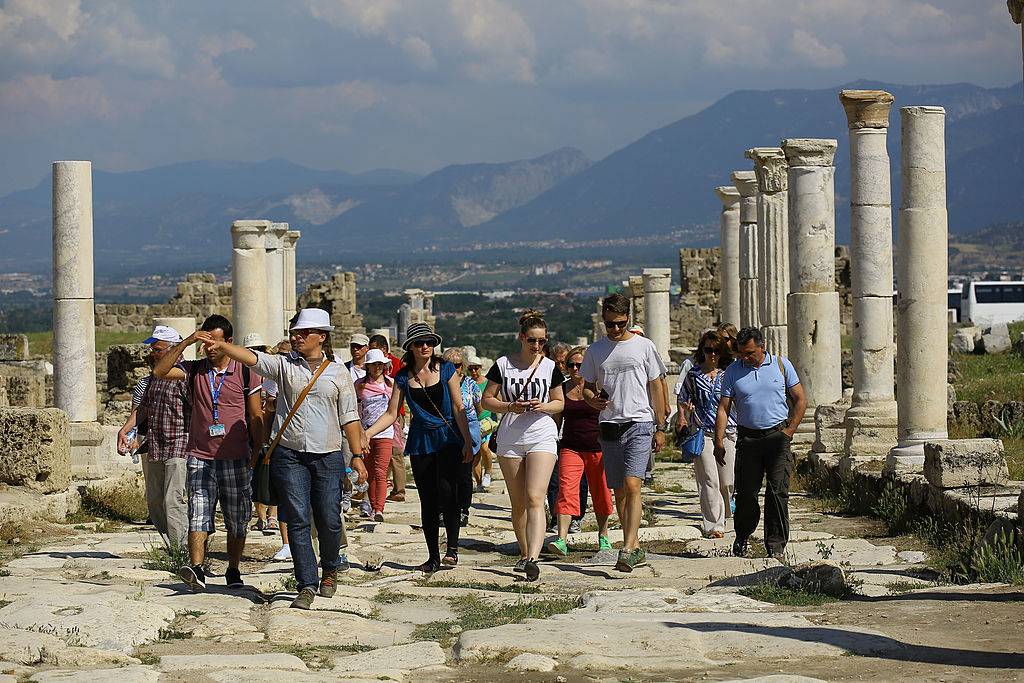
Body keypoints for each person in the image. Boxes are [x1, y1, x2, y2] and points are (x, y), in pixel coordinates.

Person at [197, 308, 368, 610]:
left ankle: (329, 568)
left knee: (329, 517)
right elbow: (251, 358)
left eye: (303, 332)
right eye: (294, 332)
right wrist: (222, 345)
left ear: (321, 337)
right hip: (289, 455)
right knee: (297, 518)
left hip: (327, 455)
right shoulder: (284, 366)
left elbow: (350, 417)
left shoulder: (338, 372)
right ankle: (306, 583)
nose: (297, 336)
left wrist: (356, 455)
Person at [152, 315, 264, 592]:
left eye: (215, 342)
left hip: (236, 455)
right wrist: (187, 342)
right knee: (198, 513)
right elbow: (160, 371)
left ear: (229, 342)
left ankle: (233, 568)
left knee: (236, 518)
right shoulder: (194, 370)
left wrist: (257, 452)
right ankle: (198, 569)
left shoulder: (246, 372)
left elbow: (255, 414)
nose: (210, 347)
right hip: (200, 455)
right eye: (206, 342)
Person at [365, 322, 475, 572]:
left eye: (429, 342)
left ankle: (453, 549)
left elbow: (459, 407)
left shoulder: (446, 369)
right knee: (428, 499)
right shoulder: (403, 377)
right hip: (421, 440)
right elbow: (392, 413)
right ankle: (433, 556)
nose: (425, 346)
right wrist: (367, 433)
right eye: (419, 343)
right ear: (411, 347)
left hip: (448, 438)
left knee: (449, 494)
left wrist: (468, 440)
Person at [581, 293, 668, 573]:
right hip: (609, 424)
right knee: (619, 490)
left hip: (639, 422)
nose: (615, 329)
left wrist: (660, 424)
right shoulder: (595, 351)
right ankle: (635, 542)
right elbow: (587, 385)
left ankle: (628, 547)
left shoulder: (644, 347)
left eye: (619, 323)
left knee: (633, 485)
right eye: (610, 325)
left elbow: (656, 384)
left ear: (628, 319)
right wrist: (590, 399)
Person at [481, 310, 565, 582]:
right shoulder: (503, 365)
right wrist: (510, 406)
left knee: (534, 498)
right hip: (511, 437)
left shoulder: (551, 367)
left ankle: (533, 558)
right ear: (522, 337)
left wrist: (544, 406)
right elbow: (487, 400)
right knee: (518, 503)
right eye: (532, 340)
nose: (537, 346)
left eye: (542, 341)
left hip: (542, 432)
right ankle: (524, 551)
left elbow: (559, 402)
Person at [714, 327, 807, 561]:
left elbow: (800, 399)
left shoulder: (781, 365)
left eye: (750, 353)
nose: (745, 358)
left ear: (762, 346)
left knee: (777, 492)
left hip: (777, 436)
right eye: (742, 353)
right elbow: (724, 408)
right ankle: (743, 535)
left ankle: (776, 545)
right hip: (748, 438)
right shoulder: (733, 371)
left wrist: (790, 430)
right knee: (746, 494)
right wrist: (719, 439)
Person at [117, 325, 190, 550]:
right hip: (156, 444)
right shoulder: (156, 376)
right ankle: (172, 544)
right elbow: (145, 407)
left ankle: (183, 551)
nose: (152, 353)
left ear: (172, 350)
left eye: (157, 350)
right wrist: (126, 428)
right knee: (155, 501)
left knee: (173, 499)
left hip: (179, 443)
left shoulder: (185, 375)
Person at [547, 346, 614, 557]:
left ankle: (603, 535)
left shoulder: (599, 387)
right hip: (571, 447)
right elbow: (557, 419)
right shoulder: (562, 389)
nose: (575, 368)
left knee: (601, 492)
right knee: (566, 490)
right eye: (571, 365)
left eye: (580, 364)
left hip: (598, 447)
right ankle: (561, 538)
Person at [678, 330, 736, 539]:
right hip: (702, 431)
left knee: (727, 481)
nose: (712, 354)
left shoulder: (729, 373)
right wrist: (684, 413)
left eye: (716, 350)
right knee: (709, 479)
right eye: (708, 350)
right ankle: (714, 525)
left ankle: (728, 512)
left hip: (729, 430)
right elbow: (683, 397)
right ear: (702, 351)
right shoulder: (693, 375)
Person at [543, 341, 586, 533]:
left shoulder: (591, 385)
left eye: (565, 363)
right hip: (558, 438)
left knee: (580, 482)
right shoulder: (555, 384)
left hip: (583, 440)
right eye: (562, 364)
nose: (564, 367)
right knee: (554, 481)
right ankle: (556, 517)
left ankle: (577, 517)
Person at [243, 332, 281, 538]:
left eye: (258, 350)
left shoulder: (273, 374)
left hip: (273, 428)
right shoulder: (241, 373)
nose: (255, 354)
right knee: (256, 474)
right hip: (250, 427)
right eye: (251, 351)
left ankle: (273, 515)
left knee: (271, 472)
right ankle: (261, 516)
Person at [354, 348, 395, 522]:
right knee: (369, 472)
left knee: (381, 472)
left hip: (385, 432)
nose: (377, 367)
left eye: (380, 364)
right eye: (374, 364)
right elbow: (355, 408)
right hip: (365, 433)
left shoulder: (392, 384)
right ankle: (372, 506)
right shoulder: (359, 385)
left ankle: (379, 509)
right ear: (368, 366)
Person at [443, 347, 481, 527]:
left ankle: (464, 509)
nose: (454, 369)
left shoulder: (470, 385)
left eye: (458, 365)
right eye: (450, 365)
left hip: (468, 428)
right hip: (447, 430)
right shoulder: (440, 384)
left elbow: (478, 408)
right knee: (445, 474)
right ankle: (446, 509)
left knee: (464, 474)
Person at [369, 334, 408, 503]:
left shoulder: (397, 364)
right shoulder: (369, 365)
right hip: (372, 418)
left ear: (384, 349)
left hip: (394, 414)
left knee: (395, 453)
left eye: (374, 348)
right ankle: (379, 488)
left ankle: (399, 490)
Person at [467, 355, 495, 492]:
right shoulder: (466, 383)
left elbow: (497, 399)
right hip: (471, 422)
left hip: (486, 421)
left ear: (480, 368)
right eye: (471, 368)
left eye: (476, 368)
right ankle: (479, 483)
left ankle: (488, 473)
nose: (473, 371)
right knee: (475, 454)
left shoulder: (488, 383)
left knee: (484, 448)